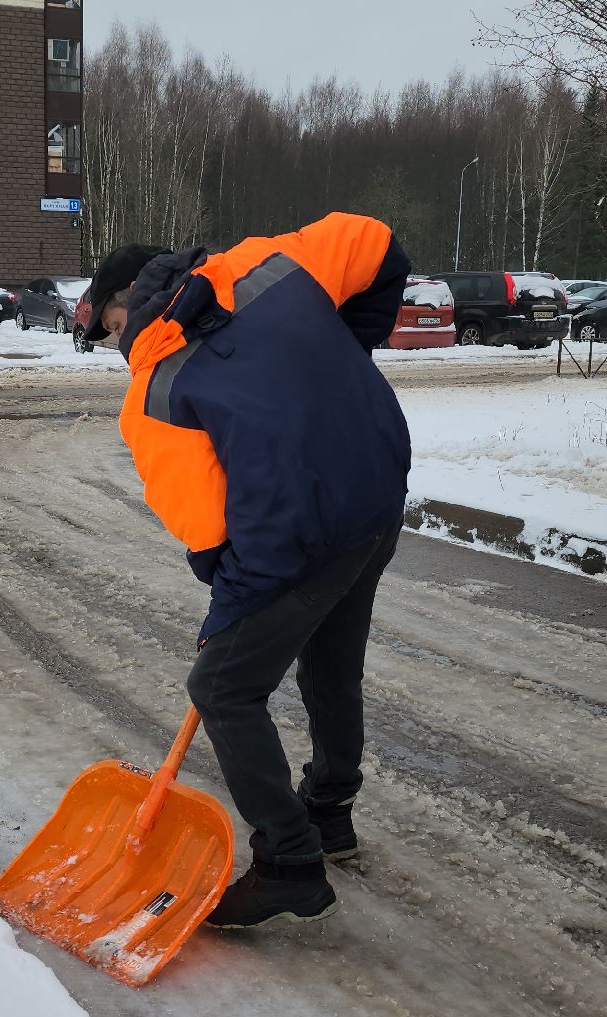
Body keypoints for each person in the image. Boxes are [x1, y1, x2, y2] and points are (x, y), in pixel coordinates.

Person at [81, 213, 412, 929]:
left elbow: (209, 533)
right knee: (328, 665)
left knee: (222, 686)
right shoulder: (271, 265)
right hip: (377, 489)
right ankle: (329, 815)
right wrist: (343, 363)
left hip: (300, 531)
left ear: (130, 295)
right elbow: (381, 245)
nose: (115, 345)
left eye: (108, 325)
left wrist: (227, 608)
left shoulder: (157, 386)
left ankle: (290, 862)